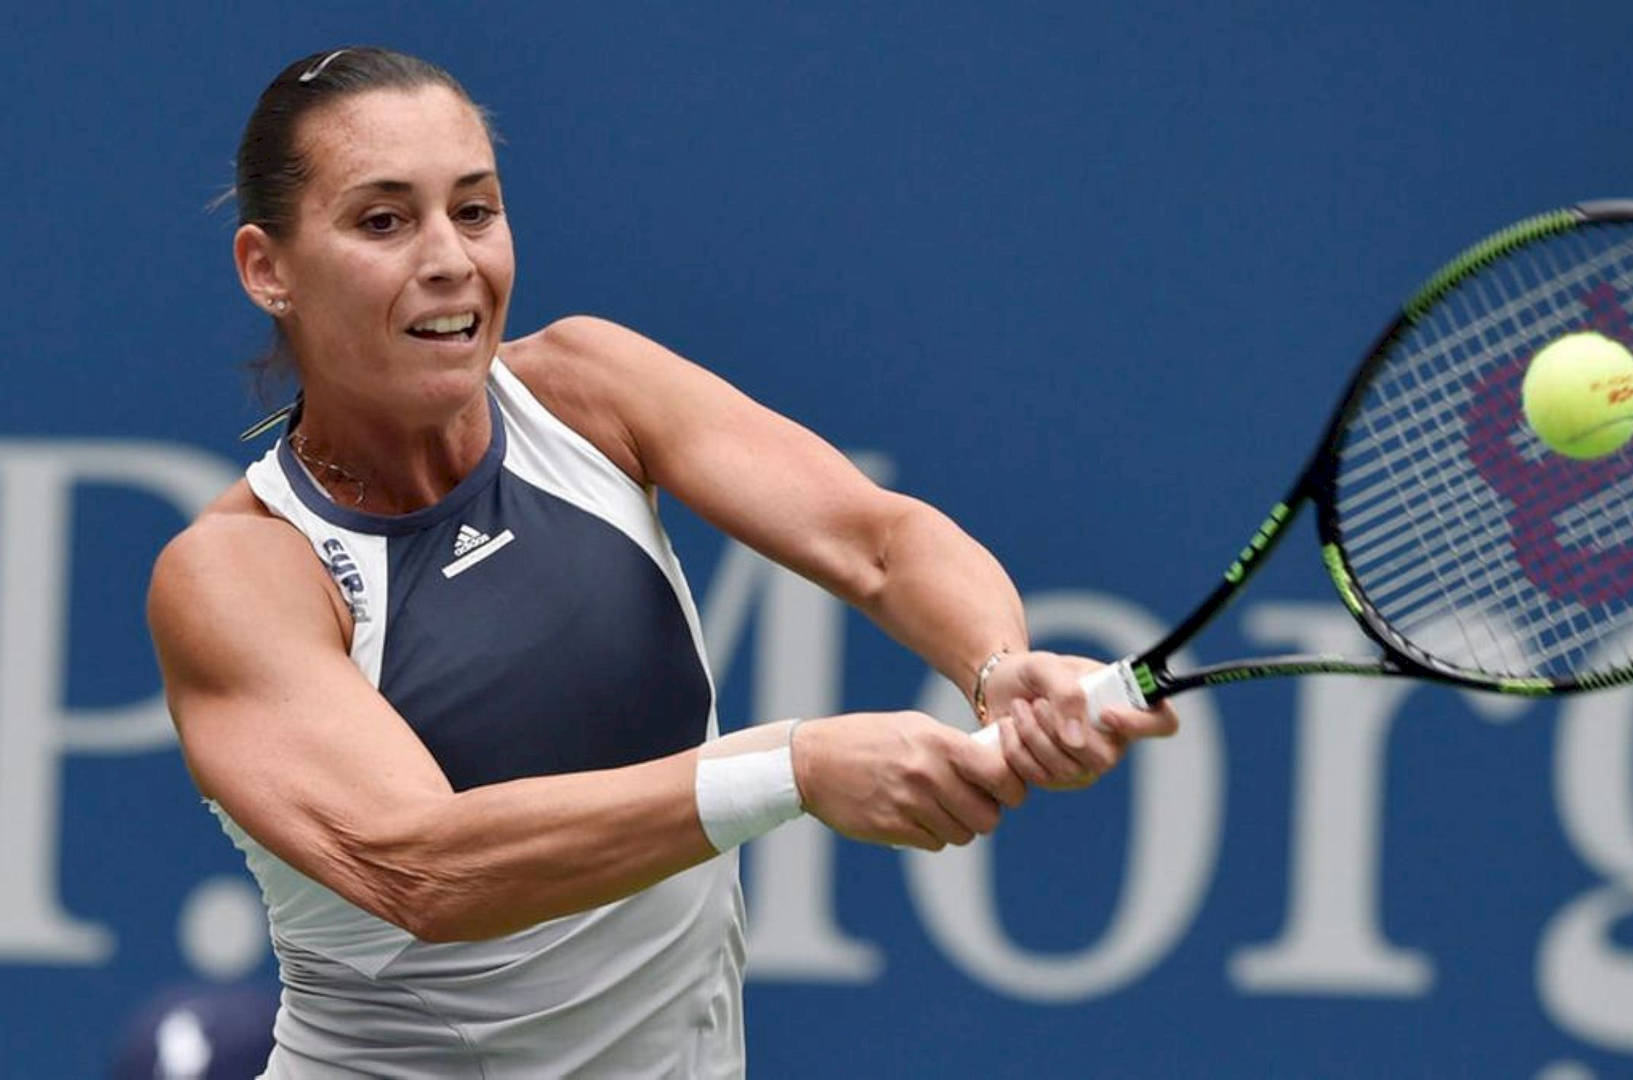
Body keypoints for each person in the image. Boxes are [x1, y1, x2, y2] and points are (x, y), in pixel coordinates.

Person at [148, 46, 1176, 1076]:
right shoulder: (241, 576)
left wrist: (999, 670)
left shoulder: (589, 390)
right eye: (383, 220)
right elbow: (423, 867)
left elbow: (880, 542)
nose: (451, 259)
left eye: (475, 210)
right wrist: (793, 770)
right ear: (267, 268)